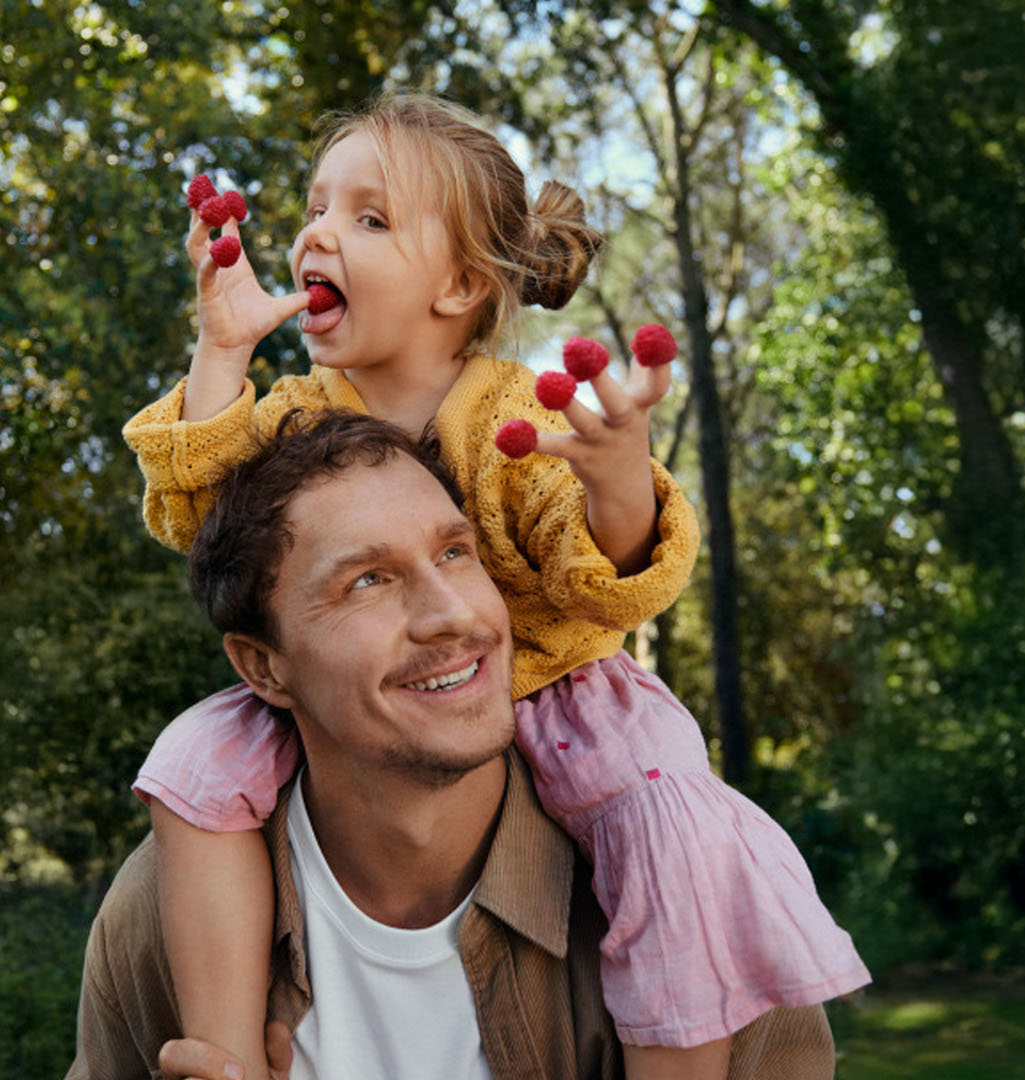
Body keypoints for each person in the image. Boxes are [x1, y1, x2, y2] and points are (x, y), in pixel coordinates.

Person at [120, 92, 868, 1080]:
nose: (318, 233)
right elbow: (206, 518)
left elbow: (596, 576)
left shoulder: (523, 412)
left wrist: (616, 490)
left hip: (564, 694)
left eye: (369, 218)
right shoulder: (296, 414)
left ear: (461, 284)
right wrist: (222, 351)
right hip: (361, 698)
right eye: (315, 208)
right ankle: (221, 1057)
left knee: (666, 819)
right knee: (193, 766)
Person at [69, 411, 839, 1078]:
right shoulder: (158, 914)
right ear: (263, 667)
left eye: (453, 553)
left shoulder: (682, 892)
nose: (453, 616)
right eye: (368, 580)